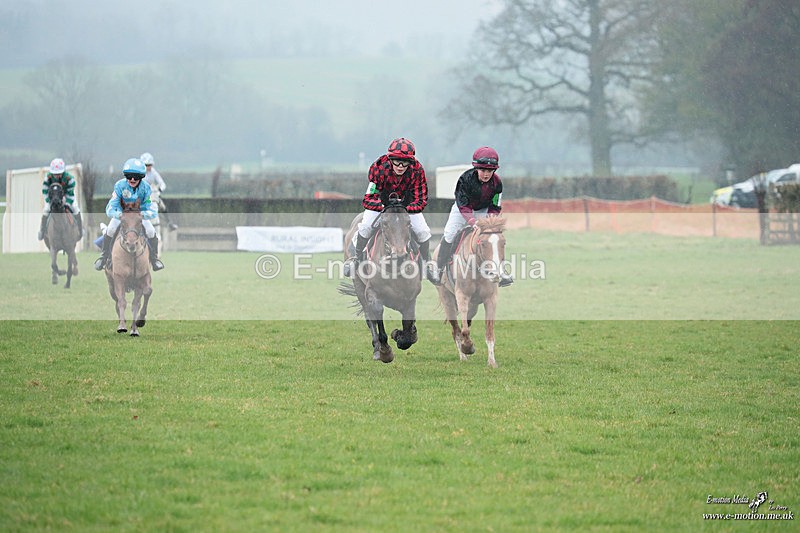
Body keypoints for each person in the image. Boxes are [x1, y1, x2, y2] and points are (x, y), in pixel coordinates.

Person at [344, 137, 439, 284]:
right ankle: (355, 259)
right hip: (381, 205)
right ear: (390, 159)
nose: (400, 166)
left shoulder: (417, 170)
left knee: (423, 231)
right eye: (396, 161)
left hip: (406, 207)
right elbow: (369, 198)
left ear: (410, 162)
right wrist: (384, 207)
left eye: (405, 162)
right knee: (365, 227)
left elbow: (420, 199)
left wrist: (405, 209)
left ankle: (427, 264)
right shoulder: (378, 168)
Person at [436, 146, 513, 287]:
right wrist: (472, 221)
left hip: (483, 209)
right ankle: (439, 269)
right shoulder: (465, 179)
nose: (486, 174)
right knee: (449, 234)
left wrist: (489, 222)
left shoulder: (497, 183)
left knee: (494, 237)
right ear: (476, 168)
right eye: (483, 170)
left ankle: (501, 271)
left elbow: (495, 206)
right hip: (463, 209)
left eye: (490, 171)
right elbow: (463, 204)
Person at [94, 157, 164, 272]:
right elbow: (110, 208)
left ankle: (154, 259)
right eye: (129, 176)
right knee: (110, 229)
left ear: (141, 177)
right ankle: (104, 257)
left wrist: (142, 215)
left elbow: (151, 209)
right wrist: (119, 215)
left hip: (138, 216)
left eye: (136, 176)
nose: (132, 179)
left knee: (151, 231)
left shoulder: (146, 188)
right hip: (122, 215)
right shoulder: (119, 186)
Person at [38, 158, 82, 240]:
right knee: (46, 210)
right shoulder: (48, 178)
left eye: (59, 173)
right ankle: (42, 231)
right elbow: (45, 190)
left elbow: (70, 193)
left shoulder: (70, 179)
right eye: (55, 174)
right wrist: (49, 201)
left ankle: (80, 230)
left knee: (76, 209)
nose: (57, 176)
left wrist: (67, 202)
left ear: (63, 172)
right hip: (51, 198)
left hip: (67, 196)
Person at [141, 152, 177, 231]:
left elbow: (163, 184)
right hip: (142, 194)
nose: (148, 167)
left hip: (153, 194)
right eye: (146, 165)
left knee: (162, 206)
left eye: (150, 165)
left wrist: (159, 190)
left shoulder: (153, 172)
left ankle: (169, 223)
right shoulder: (138, 173)